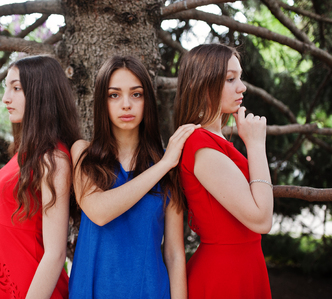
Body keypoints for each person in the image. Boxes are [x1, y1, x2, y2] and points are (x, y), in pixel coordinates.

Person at [68, 56, 197, 299]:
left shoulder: (169, 169)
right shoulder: (83, 154)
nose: (126, 104)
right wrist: (165, 164)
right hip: (92, 291)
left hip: (149, 291)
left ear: (148, 101)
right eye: (114, 95)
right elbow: (99, 211)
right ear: (101, 103)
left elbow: (174, 254)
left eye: (136, 94)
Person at [173, 43, 273, 298]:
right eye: (230, 79)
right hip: (225, 275)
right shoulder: (201, 145)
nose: (242, 87)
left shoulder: (214, 141)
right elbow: (261, 219)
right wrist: (256, 144)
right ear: (204, 83)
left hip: (243, 265)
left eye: (239, 77)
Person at [0, 55, 81, 299]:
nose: (5, 98)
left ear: (40, 94)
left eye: (16, 88)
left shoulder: (53, 159)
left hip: (32, 287)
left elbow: (56, 253)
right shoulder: (26, 152)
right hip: (9, 276)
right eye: (6, 88)